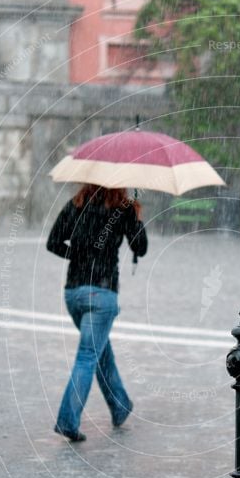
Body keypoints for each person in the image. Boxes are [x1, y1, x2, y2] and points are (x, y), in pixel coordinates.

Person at [47, 183, 147, 441]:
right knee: (88, 355)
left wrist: (80, 255)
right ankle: (68, 420)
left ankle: (119, 405)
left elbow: (53, 242)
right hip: (102, 294)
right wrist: (137, 217)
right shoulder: (122, 209)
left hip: (74, 294)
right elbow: (141, 248)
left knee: (99, 351)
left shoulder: (76, 204)